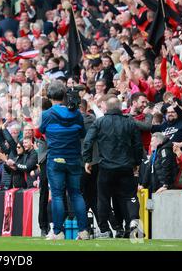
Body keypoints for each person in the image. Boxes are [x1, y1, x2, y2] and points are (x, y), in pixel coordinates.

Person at [83, 96, 143, 238]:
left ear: (106, 108)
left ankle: (104, 229)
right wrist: (136, 163)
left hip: (106, 167)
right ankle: (134, 224)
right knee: (130, 196)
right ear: (120, 107)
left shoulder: (100, 122)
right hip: (126, 166)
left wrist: (87, 160)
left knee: (103, 198)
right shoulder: (130, 123)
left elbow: (88, 141)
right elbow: (138, 145)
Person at [39, 80, 89, 241]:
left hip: (55, 158)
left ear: (49, 95)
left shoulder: (47, 114)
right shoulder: (76, 114)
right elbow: (82, 134)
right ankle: (83, 231)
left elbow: (39, 132)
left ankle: (58, 232)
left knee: (58, 195)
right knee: (76, 194)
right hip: (74, 158)